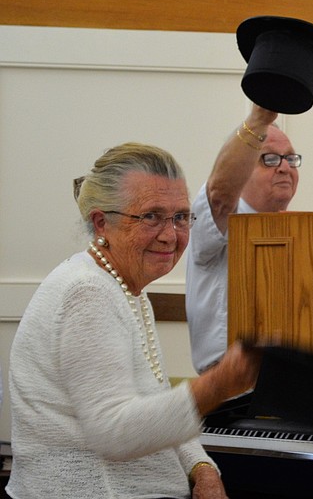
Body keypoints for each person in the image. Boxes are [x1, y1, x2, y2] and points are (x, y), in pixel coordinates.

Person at [6, 142, 262, 499]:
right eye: (151, 216)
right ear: (101, 223)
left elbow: (152, 400)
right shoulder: (88, 293)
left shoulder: (124, 285)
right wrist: (216, 386)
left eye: (181, 217)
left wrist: (201, 468)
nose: (171, 235)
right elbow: (115, 432)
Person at [186, 104, 299, 373]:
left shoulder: (299, 231)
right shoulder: (222, 219)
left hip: (290, 382)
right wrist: (259, 120)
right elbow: (219, 193)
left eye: (290, 159)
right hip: (231, 392)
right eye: (269, 159)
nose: (284, 167)